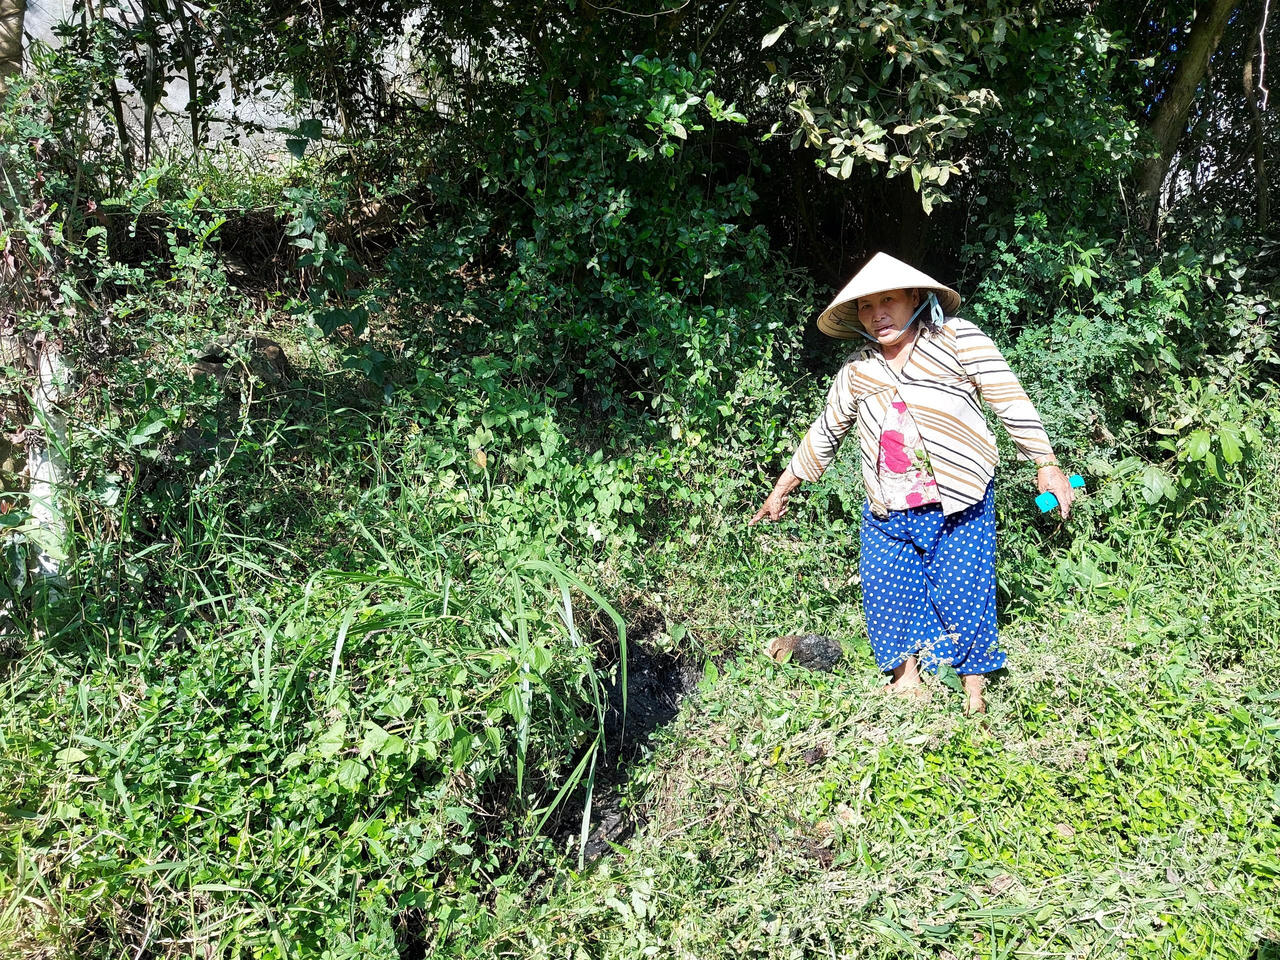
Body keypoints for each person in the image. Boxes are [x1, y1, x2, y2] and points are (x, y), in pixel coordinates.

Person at [749, 253, 1074, 715]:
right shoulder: (859, 369)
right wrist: (782, 487)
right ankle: (907, 680)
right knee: (888, 591)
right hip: (887, 509)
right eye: (866, 306)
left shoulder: (958, 341)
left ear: (915, 298)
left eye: (888, 300)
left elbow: (1010, 399)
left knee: (964, 592)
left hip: (959, 501)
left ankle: (974, 689)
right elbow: (825, 432)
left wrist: (1045, 462)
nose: (877, 313)